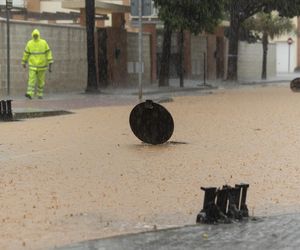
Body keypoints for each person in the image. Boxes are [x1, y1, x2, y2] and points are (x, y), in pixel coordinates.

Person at [22, 29, 53, 99]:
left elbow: (48, 53)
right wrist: (24, 62)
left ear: (38, 35)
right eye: (34, 35)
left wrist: (50, 63)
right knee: (31, 80)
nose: (35, 36)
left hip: (41, 66)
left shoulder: (43, 42)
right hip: (33, 66)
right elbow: (26, 53)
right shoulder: (29, 43)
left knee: (40, 81)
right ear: (32, 35)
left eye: (36, 35)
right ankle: (30, 93)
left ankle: (40, 94)